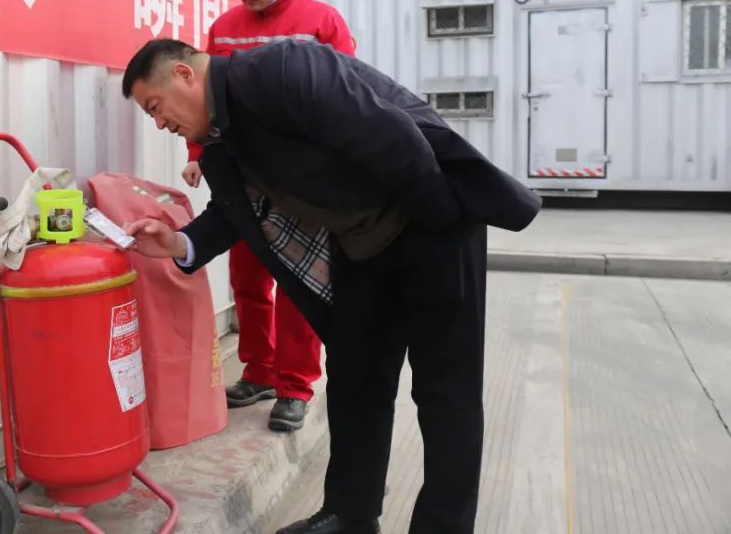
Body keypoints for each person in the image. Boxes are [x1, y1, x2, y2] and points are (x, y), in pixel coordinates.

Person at [121, 38, 541, 534]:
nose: (159, 123)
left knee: (445, 392)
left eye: (155, 107)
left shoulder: (282, 69)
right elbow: (232, 211)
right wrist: (179, 243)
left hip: (433, 219)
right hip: (362, 246)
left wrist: (439, 228)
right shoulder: (220, 145)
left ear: (185, 75)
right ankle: (351, 515)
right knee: (355, 380)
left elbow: (394, 138)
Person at [184, 0, 356, 433]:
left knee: (298, 284)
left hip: (302, 184)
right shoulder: (224, 29)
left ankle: (295, 386)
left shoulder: (321, 23)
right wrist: (197, 154)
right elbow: (203, 100)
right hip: (244, 179)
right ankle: (259, 371)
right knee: (248, 280)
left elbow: (349, 96)